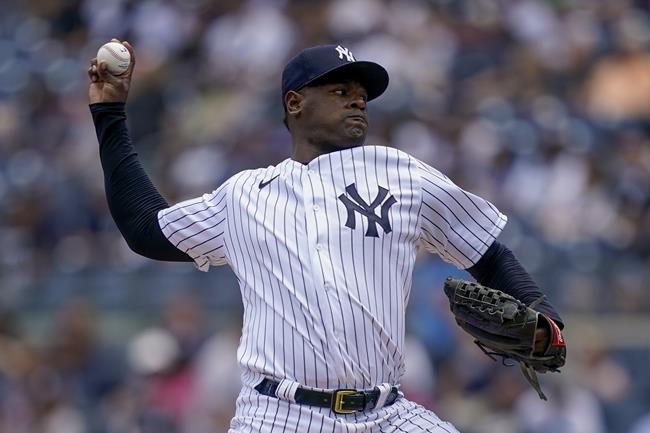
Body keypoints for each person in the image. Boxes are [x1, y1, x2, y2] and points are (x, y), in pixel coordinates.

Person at [88, 40, 566, 433]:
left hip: (387, 413)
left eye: (361, 93)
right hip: (277, 415)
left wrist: (545, 315)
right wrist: (110, 115)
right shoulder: (243, 195)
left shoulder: (402, 174)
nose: (358, 99)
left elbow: (487, 253)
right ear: (294, 103)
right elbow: (146, 229)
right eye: (340, 90)